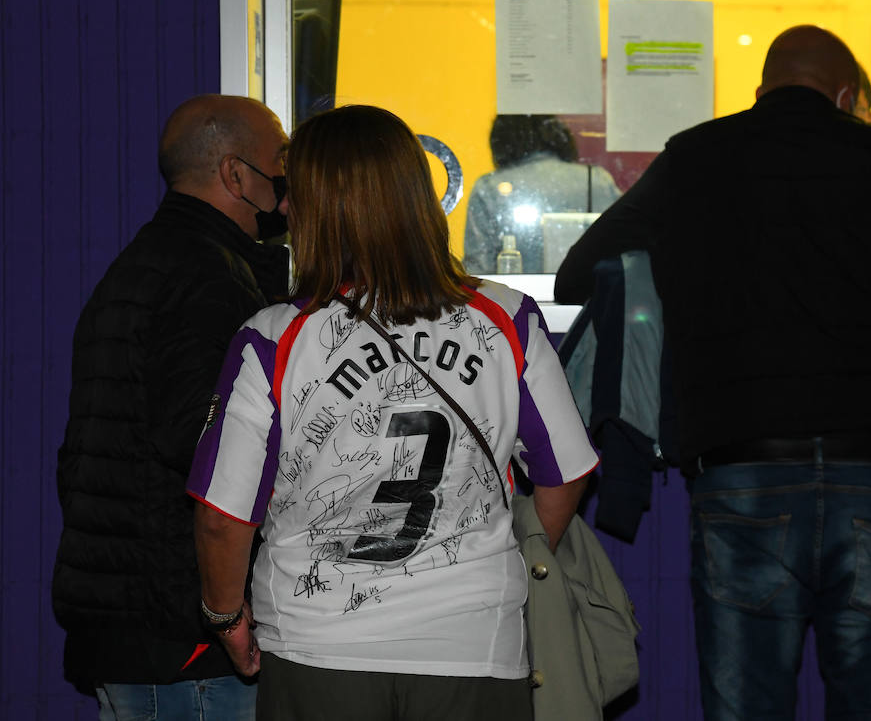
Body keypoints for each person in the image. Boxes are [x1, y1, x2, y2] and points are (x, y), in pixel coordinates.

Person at [555, 25, 871, 720]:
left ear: (761, 92)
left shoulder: (695, 160)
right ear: (850, 97)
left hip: (743, 477)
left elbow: (577, 273)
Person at [188, 104, 597, 720]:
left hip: (317, 647)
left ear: (327, 207)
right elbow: (565, 473)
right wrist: (486, 559)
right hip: (474, 649)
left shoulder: (274, 339)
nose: (281, 210)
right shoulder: (505, 318)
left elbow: (223, 517)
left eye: (293, 193)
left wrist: (225, 616)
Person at [53, 95, 292, 719]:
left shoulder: (150, 262)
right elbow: (215, 458)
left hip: (142, 624)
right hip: (185, 643)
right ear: (237, 175)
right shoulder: (207, 278)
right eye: (280, 167)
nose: (290, 190)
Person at [463, 114, 621, 274]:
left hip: (517, 297)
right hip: (588, 296)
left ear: (501, 141)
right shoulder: (596, 180)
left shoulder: (489, 187)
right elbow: (623, 250)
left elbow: (478, 270)